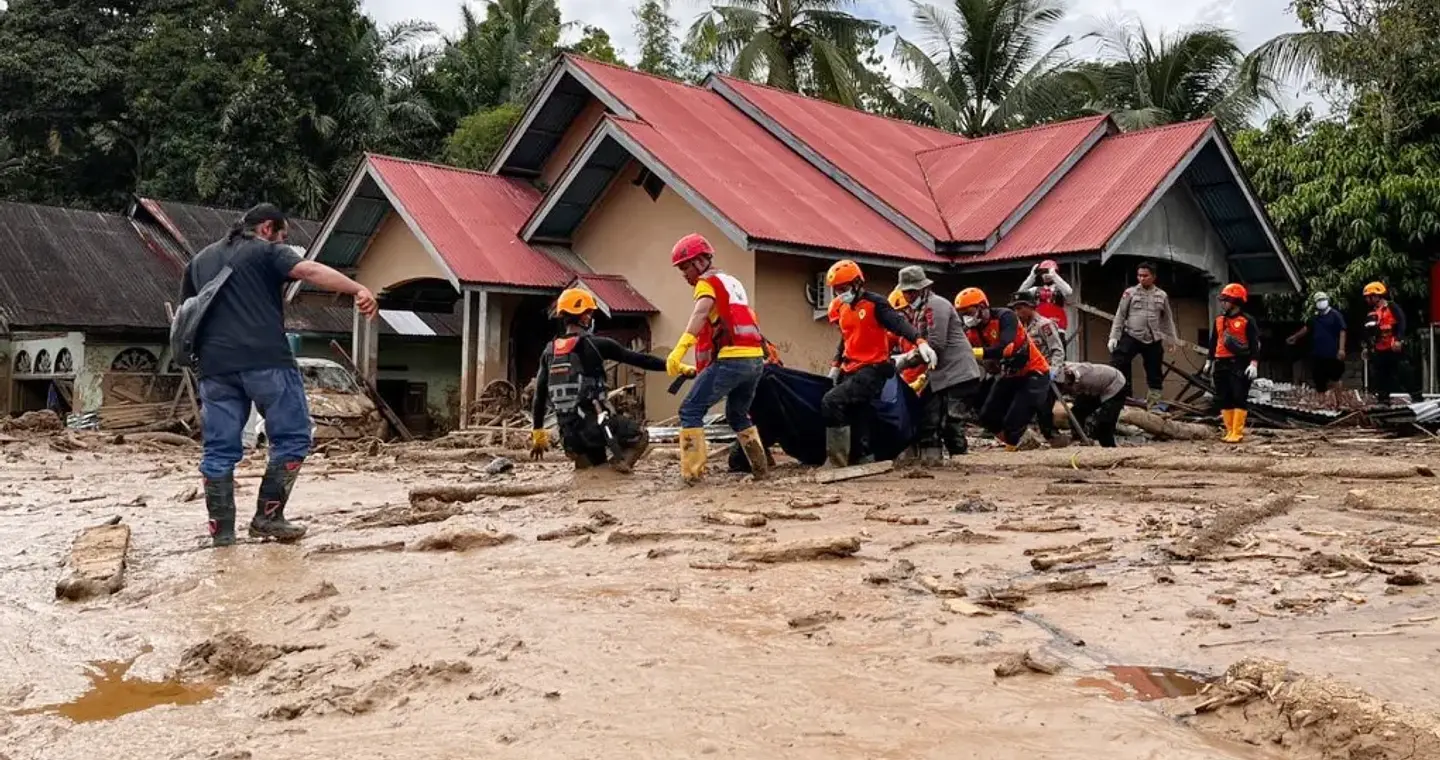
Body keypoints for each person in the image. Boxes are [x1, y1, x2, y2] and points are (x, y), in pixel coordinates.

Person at [182, 203, 377, 547]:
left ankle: (222, 535)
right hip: (265, 360)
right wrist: (357, 289)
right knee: (293, 436)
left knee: (218, 450)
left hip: (214, 367)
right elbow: (310, 272)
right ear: (268, 228)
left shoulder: (198, 261)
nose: (283, 243)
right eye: (283, 236)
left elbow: (188, 312)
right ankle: (268, 518)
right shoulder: (265, 250)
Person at [664, 233, 769, 484]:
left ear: (701, 261)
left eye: (686, 267)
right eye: (681, 269)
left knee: (690, 410)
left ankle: (692, 476)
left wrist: (680, 348)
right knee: (737, 415)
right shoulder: (732, 282)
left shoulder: (706, 282)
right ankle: (761, 470)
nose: (684, 274)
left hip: (732, 360)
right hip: (754, 361)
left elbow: (701, 314)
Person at [530, 289, 668, 472]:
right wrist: (672, 365)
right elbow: (641, 360)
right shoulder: (597, 345)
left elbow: (539, 396)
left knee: (590, 473)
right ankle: (617, 470)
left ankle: (599, 478)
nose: (591, 317)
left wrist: (538, 434)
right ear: (584, 317)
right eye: (590, 313)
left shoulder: (549, 351)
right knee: (639, 436)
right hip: (597, 429)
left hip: (568, 437)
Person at [824, 260, 935, 467]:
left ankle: (837, 462)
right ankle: (864, 456)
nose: (840, 294)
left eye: (844, 288)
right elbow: (845, 339)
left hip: (872, 369)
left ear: (857, 283)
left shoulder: (875, 303)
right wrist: (835, 365)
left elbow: (899, 324)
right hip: (851, 368)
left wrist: (920, 342)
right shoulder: (843, 308)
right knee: (858, 412)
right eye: (837, 290)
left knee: (831, 401)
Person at [892, 266, 982, 464]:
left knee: (951, 421)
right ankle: (931, 459)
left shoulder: (935, 306)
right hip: (940, 375)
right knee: (926, 415)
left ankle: (961, 461)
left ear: (923, 289)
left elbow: (935, 345)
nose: (907, 296)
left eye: (911, 291)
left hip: (958, 374)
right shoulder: (920, 310)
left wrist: (905, 360)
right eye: (905, 292)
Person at [955, 287, 1050, 451]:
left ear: (982, 307)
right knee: (987, 417)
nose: (967, 317)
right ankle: (1021, 443)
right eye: (962, 313)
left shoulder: (1005, 317)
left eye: (969, 312)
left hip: (1033, 373)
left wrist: (974, 352)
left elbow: (1006, 347)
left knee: (1014, 420)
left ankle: (1013, 447)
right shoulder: (970, 332)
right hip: (1008, 374)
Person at [1108, 261, 1179, 408]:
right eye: (1139, 275)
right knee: (1119, 362)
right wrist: (1113, 336)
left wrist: (1172, 339)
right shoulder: (1130, 293)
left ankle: (1153, 404)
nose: (1142, 278)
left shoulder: (1161, 295)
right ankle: (1121, 398)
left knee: (1155, 371)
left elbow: (1167, 319)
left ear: (1153, 277)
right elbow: (1120, 315)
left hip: (1153, 338)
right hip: (1132, 335)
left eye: (1145, 275)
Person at [1204, 283, 1260, 444]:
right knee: (1224, 397)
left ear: (1235, 301)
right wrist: (1209, 361)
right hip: (1221, 362)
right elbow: (1213, 341)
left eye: (1226, 300)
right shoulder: (1219, 320)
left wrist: (1253, 363)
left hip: (1239, 363)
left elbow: (1255, 343)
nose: (1223, 303)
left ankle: (1237, 431)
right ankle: (1229, 430)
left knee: (1239, 396)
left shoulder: (1247, 320)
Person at [1011, 293, 1067, 445]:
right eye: (1014, 309)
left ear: (1030, 307)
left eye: (1019, 308)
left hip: (1048, 373)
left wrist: (1053, 370)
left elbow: (1057, 350)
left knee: (1043, 409)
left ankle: (1053, 438)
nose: (1016, 312)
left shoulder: (1044, 325)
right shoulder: (1021, 327)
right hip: (1030, 373)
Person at [1361, 282, 1423, 405]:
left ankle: (1417, 397)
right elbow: (1368, 333)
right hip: (1380, 349)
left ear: (1376, 296)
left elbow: (1401, 322)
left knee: (1405, 372)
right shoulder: (1371, 313)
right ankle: (1383, 401)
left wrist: (1399, 339)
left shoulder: (1392, 307)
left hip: (1394, 347)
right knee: (1381, 377)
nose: (1367, 299)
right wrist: (1367, 347)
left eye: (1369, 296)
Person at [1286, 292, 1347, 404]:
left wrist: (1341, 349)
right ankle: (1321, 404)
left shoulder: (1335, 315)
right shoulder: (1315, 317)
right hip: (1318, 354)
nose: (1321, 302)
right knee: (1319, 381)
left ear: (1327, 300)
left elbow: (1342, 331)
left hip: (1333, 353)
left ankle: (1340, 403)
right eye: (1318, 300)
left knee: (1336, 378)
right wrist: (1295, 337)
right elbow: (1306, 328)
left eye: (1323, 299)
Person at [1056, 362, 1127, 448]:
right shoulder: (1064, 370)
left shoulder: (1082, 376)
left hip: (1115, 384)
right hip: (1095, 387)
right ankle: (1079, 439)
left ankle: (1109, 448)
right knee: (1076, 412)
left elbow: (1086, 367)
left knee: (1105, 422)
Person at [1018, 259, 1072, 339]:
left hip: (1058, 327)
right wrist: (1032, 276)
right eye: (1042, 273)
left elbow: (1069, 291)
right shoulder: (1036, 290)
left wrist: (1054, 276)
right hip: (1040, 328)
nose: (1045, 275)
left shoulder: (1060, 289)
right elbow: (1020, 293)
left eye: (1047, 272)